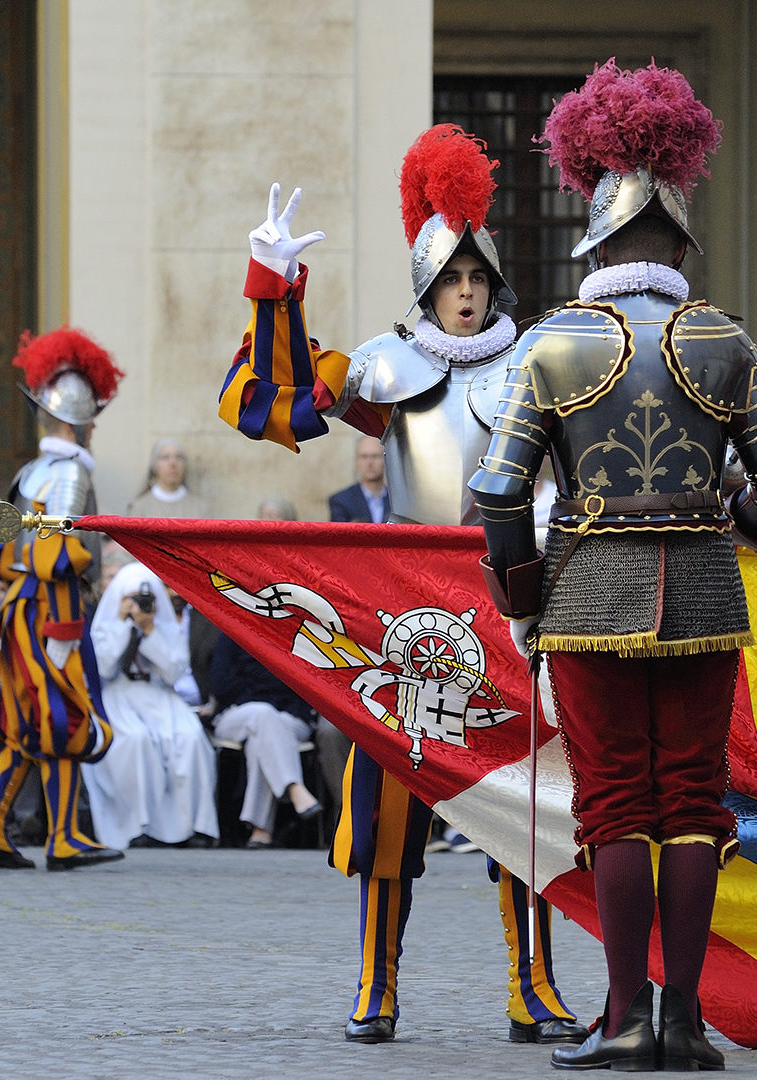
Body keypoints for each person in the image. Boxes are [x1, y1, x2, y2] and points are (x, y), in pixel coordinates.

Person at [471, 62, 757, 1070]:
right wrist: (737, 517)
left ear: (600, 235)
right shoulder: (725, 340)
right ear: (677, 237)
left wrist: (523, 590)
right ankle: (689, 1020)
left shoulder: (552, 345)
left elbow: (499, 492)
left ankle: (625, 1016)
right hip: (706, 587)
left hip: (586, 595)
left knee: (617, 801)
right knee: (694, 802)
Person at [220, 125, 583, 1045]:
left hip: (511, 590)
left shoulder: (536, 359)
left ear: (494, 283)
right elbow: (271, 409)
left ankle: (531, 983)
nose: (464, 294)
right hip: (409, 603)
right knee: (389, 805)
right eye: (449, 281)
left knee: (524, 799)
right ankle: (377, 982)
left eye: (476, 279)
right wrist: (275, 290)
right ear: (427, 287)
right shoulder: (389, 361)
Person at [0, 327, 124, 871]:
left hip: (19, 609)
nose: (95, 426)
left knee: (23, 719)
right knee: (60, 714)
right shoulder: (71, 474)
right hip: (51, 610)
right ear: (77, 422)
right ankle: (61, 838)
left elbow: (6, 546)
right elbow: (55, 555)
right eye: (91, 418)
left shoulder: (31, 469)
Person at [83, 561, 218, 850]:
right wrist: (122, 625)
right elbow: (103, 669)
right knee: (134, 740)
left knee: (189, 737)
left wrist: (149, 631)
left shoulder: (164, 626)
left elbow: (174, 671)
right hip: (118, 694)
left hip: (159, 694)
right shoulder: (106, 626)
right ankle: (139, 825)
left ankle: (192, 825)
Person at [205, 629, 321, 847]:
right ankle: (293, 787)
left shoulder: (295, 632)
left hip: (290, 717)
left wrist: (259, 690)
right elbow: (220, 685)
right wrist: (268, 691)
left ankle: (261, 829)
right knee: (263, 714)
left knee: (263, 735)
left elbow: (306, 684)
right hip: (237, 713)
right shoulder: (232, 631)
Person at [126, 439, 212, 519]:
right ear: (154, 465)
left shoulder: (201, 509)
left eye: (178, 457)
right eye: (165, 457)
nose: (173, 463)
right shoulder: (139, 508)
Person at [328, 436, 389, 523]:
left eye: (375, 456)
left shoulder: (397, 502)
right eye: (364, 457)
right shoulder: (341, 501)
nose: (370, 463)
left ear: (385, 460)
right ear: (357, 462)